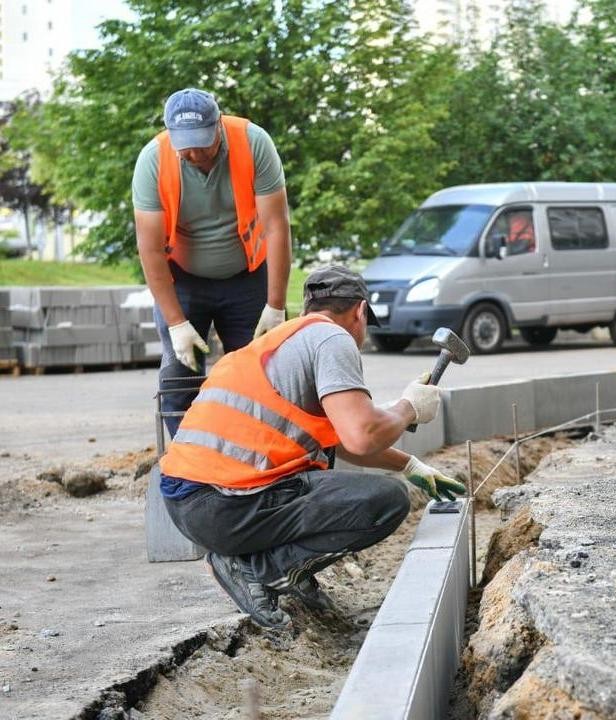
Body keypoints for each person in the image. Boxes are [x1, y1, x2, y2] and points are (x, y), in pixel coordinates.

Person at [158, 266, 466, 628]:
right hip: (227, 505)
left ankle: (287, 571)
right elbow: (361, 435)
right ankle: (257, 569)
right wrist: (408, 408)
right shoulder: (332, 339)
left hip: (191, 504)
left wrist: (410, 465)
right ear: (360, 312)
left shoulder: (286, 340)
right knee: (385, 502)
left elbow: (338, 437)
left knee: (325, 462)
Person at [133, 88, 292, 436]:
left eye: (201, 142)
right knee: (179, 376)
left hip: (247, 277)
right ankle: (185, 467)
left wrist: (275, 305)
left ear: (218, 125)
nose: (193, 153)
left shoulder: (253, 143)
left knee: (265, 374)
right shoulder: (154, 160)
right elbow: (149, 249)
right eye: (184, 144)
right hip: (184, 281)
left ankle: (264, 458)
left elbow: (277, 227)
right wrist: (176, 323)